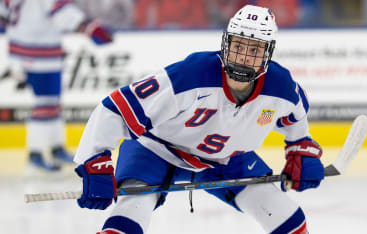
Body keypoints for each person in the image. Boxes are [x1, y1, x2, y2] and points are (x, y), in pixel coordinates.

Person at [74, 5, 324, 234]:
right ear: (226, 44)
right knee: (130, 214)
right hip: (156, 151)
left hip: (227, 160)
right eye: (238, 46)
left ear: (268, 53)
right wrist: (95, 161)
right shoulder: (191, 75)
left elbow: (295, 115)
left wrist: (299, 148)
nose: (243, 57)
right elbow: (114, 108)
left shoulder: (281, 87)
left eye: (255, 49)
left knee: (285, 216)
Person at [0, 0, 113, 171]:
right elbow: (61, 11)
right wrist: (89, 28)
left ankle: (56, 147)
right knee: (45, 103)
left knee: (52, 102)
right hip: (38, 52)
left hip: (25, 49)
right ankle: (36, 153)